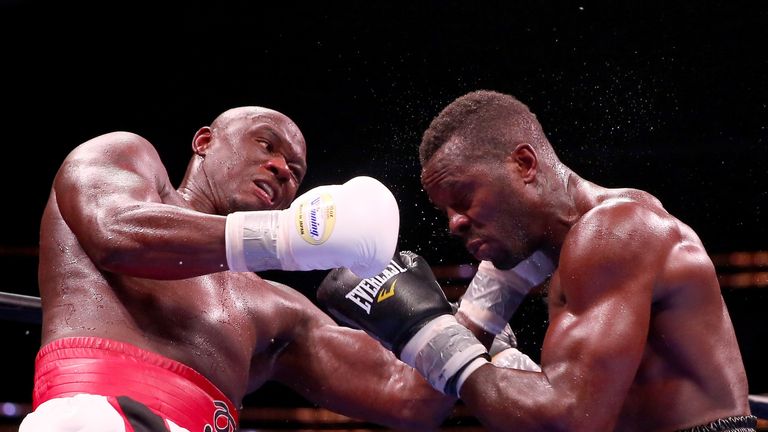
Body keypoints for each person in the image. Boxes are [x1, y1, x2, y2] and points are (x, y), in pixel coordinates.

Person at [317, 90, 756, 431]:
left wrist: (431, 331)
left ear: (524, 164)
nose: (454, 224)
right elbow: (419, 402)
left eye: (464, 199)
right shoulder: (526, 256)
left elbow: (569, 420)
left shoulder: (616, 231)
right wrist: (440, 343)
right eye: (444, 211)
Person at [19, 106, 457, 432]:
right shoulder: (125, 156)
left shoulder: (274, 308)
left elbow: (411, 400)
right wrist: (280, 237)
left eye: (296, 172)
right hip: (95, 416)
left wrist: (485, 300)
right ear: (205, 141)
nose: (282, 168)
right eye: (266, 145)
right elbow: (114, 233)